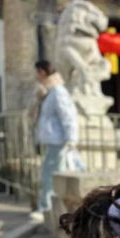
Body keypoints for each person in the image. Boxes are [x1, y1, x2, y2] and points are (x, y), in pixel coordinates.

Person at [32, 60, 79, 218]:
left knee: (50, 177)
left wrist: (71, 139)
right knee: (50, 175)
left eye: (37, 72)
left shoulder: (58, 92)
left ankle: (47, 209)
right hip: (53, 140)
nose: (36, 76)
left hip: (58, 141)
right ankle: (48, 209)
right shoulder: (49, 92)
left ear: (42, 72)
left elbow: (68, 116)